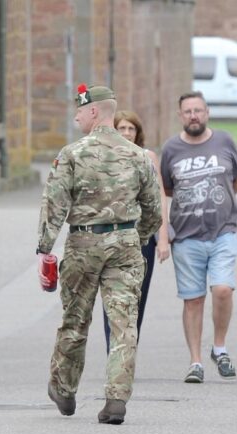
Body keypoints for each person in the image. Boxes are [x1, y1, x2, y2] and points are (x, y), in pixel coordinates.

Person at [37, 84, 162, 425]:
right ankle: (116, 399)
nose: (76, 115)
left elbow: (54, 205)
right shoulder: (138, 155)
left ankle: (64, 388)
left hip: (83, 245)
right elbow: (153, 209)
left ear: (94, 112)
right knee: (124, 324)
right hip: (125, 243)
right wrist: (136, 237)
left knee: (75, 319)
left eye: (79, 110)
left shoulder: (73, 154)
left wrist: (44, 248)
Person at [160, 91, 237, 384]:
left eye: (198, 110)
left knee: (222, 289)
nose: (193, 116)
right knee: (193, 300)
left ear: (207, 112)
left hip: (223, 231)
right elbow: (166, 188)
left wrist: (219, 203)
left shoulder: (224, 141)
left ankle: (219, 347)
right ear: (180, 116)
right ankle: (195, 361)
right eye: (188, 111)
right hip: (186, 237)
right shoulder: (171, 149)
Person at [101, 110, 171, 353]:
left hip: (142, 238)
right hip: (112, 237)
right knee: (112, 296)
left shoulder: (148, 156)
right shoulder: (105, 156)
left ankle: (128, 350)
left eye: (131, 129)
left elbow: (159, 196)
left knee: (137, 297)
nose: (127, 133)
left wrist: (163, 238)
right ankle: (114, 350)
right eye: (122, 128)